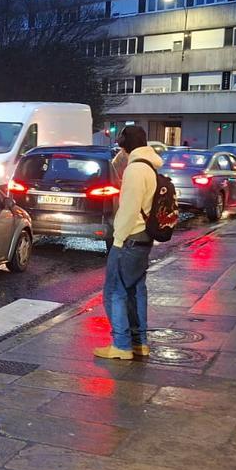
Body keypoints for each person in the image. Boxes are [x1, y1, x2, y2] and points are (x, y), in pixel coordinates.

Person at [95, 125, 163, 361]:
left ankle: (121, 345)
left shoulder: (135, 170)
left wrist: (118, 240)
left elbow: (129, 210)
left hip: (130, 239)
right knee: (136, 291)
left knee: (114, 291)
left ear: (126, 146)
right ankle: (139, 342)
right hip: (144, 238)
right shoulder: (150, 166)